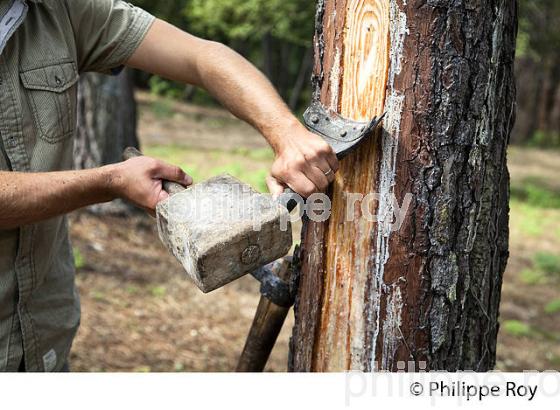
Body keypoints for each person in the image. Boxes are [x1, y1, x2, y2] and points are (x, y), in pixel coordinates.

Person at [0, 0, 339, 371]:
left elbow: (202, 57)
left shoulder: (58, 10)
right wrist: (109, 182)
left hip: (44, 339)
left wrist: (285, 133)